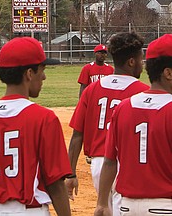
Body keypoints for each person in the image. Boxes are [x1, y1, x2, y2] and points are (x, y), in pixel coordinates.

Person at [0, 37, 72, 216]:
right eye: (42, 70)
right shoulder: (43, 118)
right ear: (29, 74)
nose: (44, 76)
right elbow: (55, 184)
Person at [65, 32, 149, 215]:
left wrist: (70, 173)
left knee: (106, 209)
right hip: (125, 164)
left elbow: (77, 135)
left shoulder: (92, 89)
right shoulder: (142, 92)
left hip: (97, 166)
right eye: (141, 59)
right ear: (131, 62)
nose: (143, 65)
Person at [94, 33, 172, 216]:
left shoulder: (123, 107)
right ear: (168, 73)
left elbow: (110, 160)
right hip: (165, 205)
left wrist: (102, 203)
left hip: (127, 207)